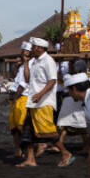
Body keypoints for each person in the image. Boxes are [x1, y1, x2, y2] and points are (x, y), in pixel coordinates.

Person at [18, 37, 58, 167]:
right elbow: (28, 79)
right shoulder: (34, 62)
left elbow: (52, 80)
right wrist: (25, 63)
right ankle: (30, 159)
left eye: (34, 47)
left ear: (40, 48)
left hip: (44, 102)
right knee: (28, 131)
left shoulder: (48, 61)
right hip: (33, 102)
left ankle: (65, 153)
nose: (31, 49)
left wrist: (40, 94)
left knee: (47, 132)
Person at [54, 60, 90, 168]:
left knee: (80, 125)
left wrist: (60, 73)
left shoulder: (78, 77)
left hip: (75, 99)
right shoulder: (77, 76)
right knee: (63, 124)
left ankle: (87, 146)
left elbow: (62, 80)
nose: (69, 67)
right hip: (69, 99)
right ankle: (59, 144)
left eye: (71, 65)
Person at [8, 42, 31, 155]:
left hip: (22, 97)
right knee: (14, 127)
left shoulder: (29, 65)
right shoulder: (21, 66)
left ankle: (28, 149)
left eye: (25, 51)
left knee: (20, 125)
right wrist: (16, 66)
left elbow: (24, 82)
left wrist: (16, 97)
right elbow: (14, 77)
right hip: (15, 97)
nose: (23, 53)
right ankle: (18, 150)